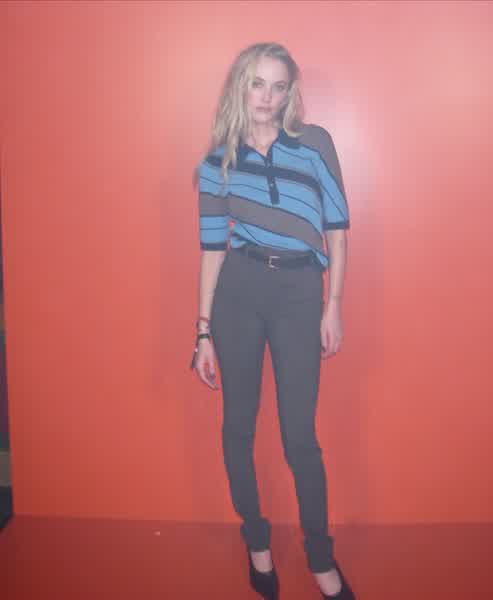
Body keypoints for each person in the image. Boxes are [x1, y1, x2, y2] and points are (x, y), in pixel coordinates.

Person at [191, 42, 355, 600]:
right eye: (257, 84)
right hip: (238, 293)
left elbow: (337, 226)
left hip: (299, 292)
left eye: (278, 86)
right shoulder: (218, 161)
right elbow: (213, 249)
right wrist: (203, 330)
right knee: (238, 427)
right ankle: (257, 544)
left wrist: (333, 303)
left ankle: (320, 557)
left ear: (290, 94)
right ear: (240, 86)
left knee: (299, 436)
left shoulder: (314, 144)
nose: (266, 97)